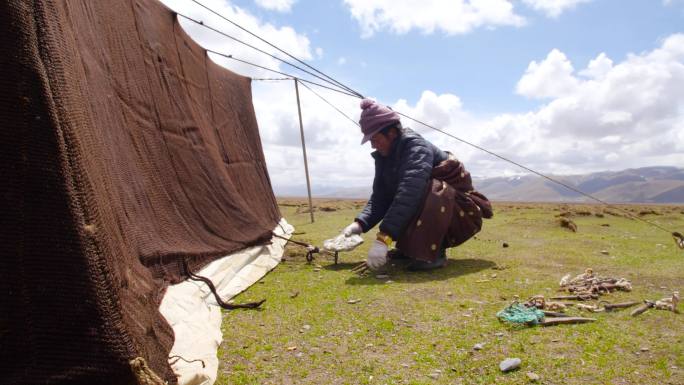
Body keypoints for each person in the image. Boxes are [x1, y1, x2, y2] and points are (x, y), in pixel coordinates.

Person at [344, 99, 493, 271]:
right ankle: (408, 248)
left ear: (391, 133)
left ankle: (434, 254)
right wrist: (360, 224)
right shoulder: (384, 156)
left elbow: (409, 193)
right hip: (440, 206)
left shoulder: (416, 148)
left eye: (375, 139)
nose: (373, 145)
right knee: (402, 193)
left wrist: (383, 239)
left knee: (430, 190)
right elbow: (381, 196)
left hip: (461, 212)